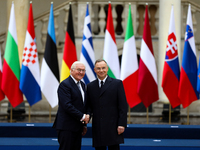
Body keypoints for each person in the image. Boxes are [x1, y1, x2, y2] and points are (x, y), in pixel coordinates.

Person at [86, 59, 127, 150]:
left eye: (103, 68)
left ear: (107, 69)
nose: (101, 70)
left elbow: (123, 106)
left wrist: (122, 124)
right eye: (98, 68)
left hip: (114, 126)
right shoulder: (90, 86)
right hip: (98, 126)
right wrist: (88, 115)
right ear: (94, 70)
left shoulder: (117, 84)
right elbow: (89, 105)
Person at [53, 61, 90, 150]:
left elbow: (84, 105)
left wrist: (84, 124)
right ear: (72, 70)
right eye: (79, 70)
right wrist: (83, 116)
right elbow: (67, 105)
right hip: (67, 127)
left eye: (83, 70)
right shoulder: (65, 85)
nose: (81, 72)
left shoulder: (82, 84)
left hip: (78, 127)